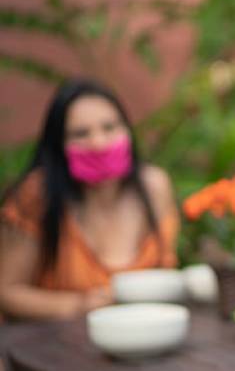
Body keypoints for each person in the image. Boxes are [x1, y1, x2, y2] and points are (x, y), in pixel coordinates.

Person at [0, 80, 178, 320]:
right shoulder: (36, 195)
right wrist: (77, 306)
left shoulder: (154, 187)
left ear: (127, 131)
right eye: (80, 134)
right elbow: (7, 292)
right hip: (56, 345)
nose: (98, 143)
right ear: (58, 146)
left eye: (109, 127)